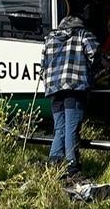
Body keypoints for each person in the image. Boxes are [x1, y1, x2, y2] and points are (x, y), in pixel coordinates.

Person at [41, 11, 100, 178]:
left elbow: (42, 64)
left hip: (53, 88)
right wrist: (92, 72)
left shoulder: (49, 38)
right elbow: (94, 53)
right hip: (74, 86)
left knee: (59, 127)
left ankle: (54, 164)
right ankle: (72, 167)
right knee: (72, 127)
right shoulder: (82, 34)